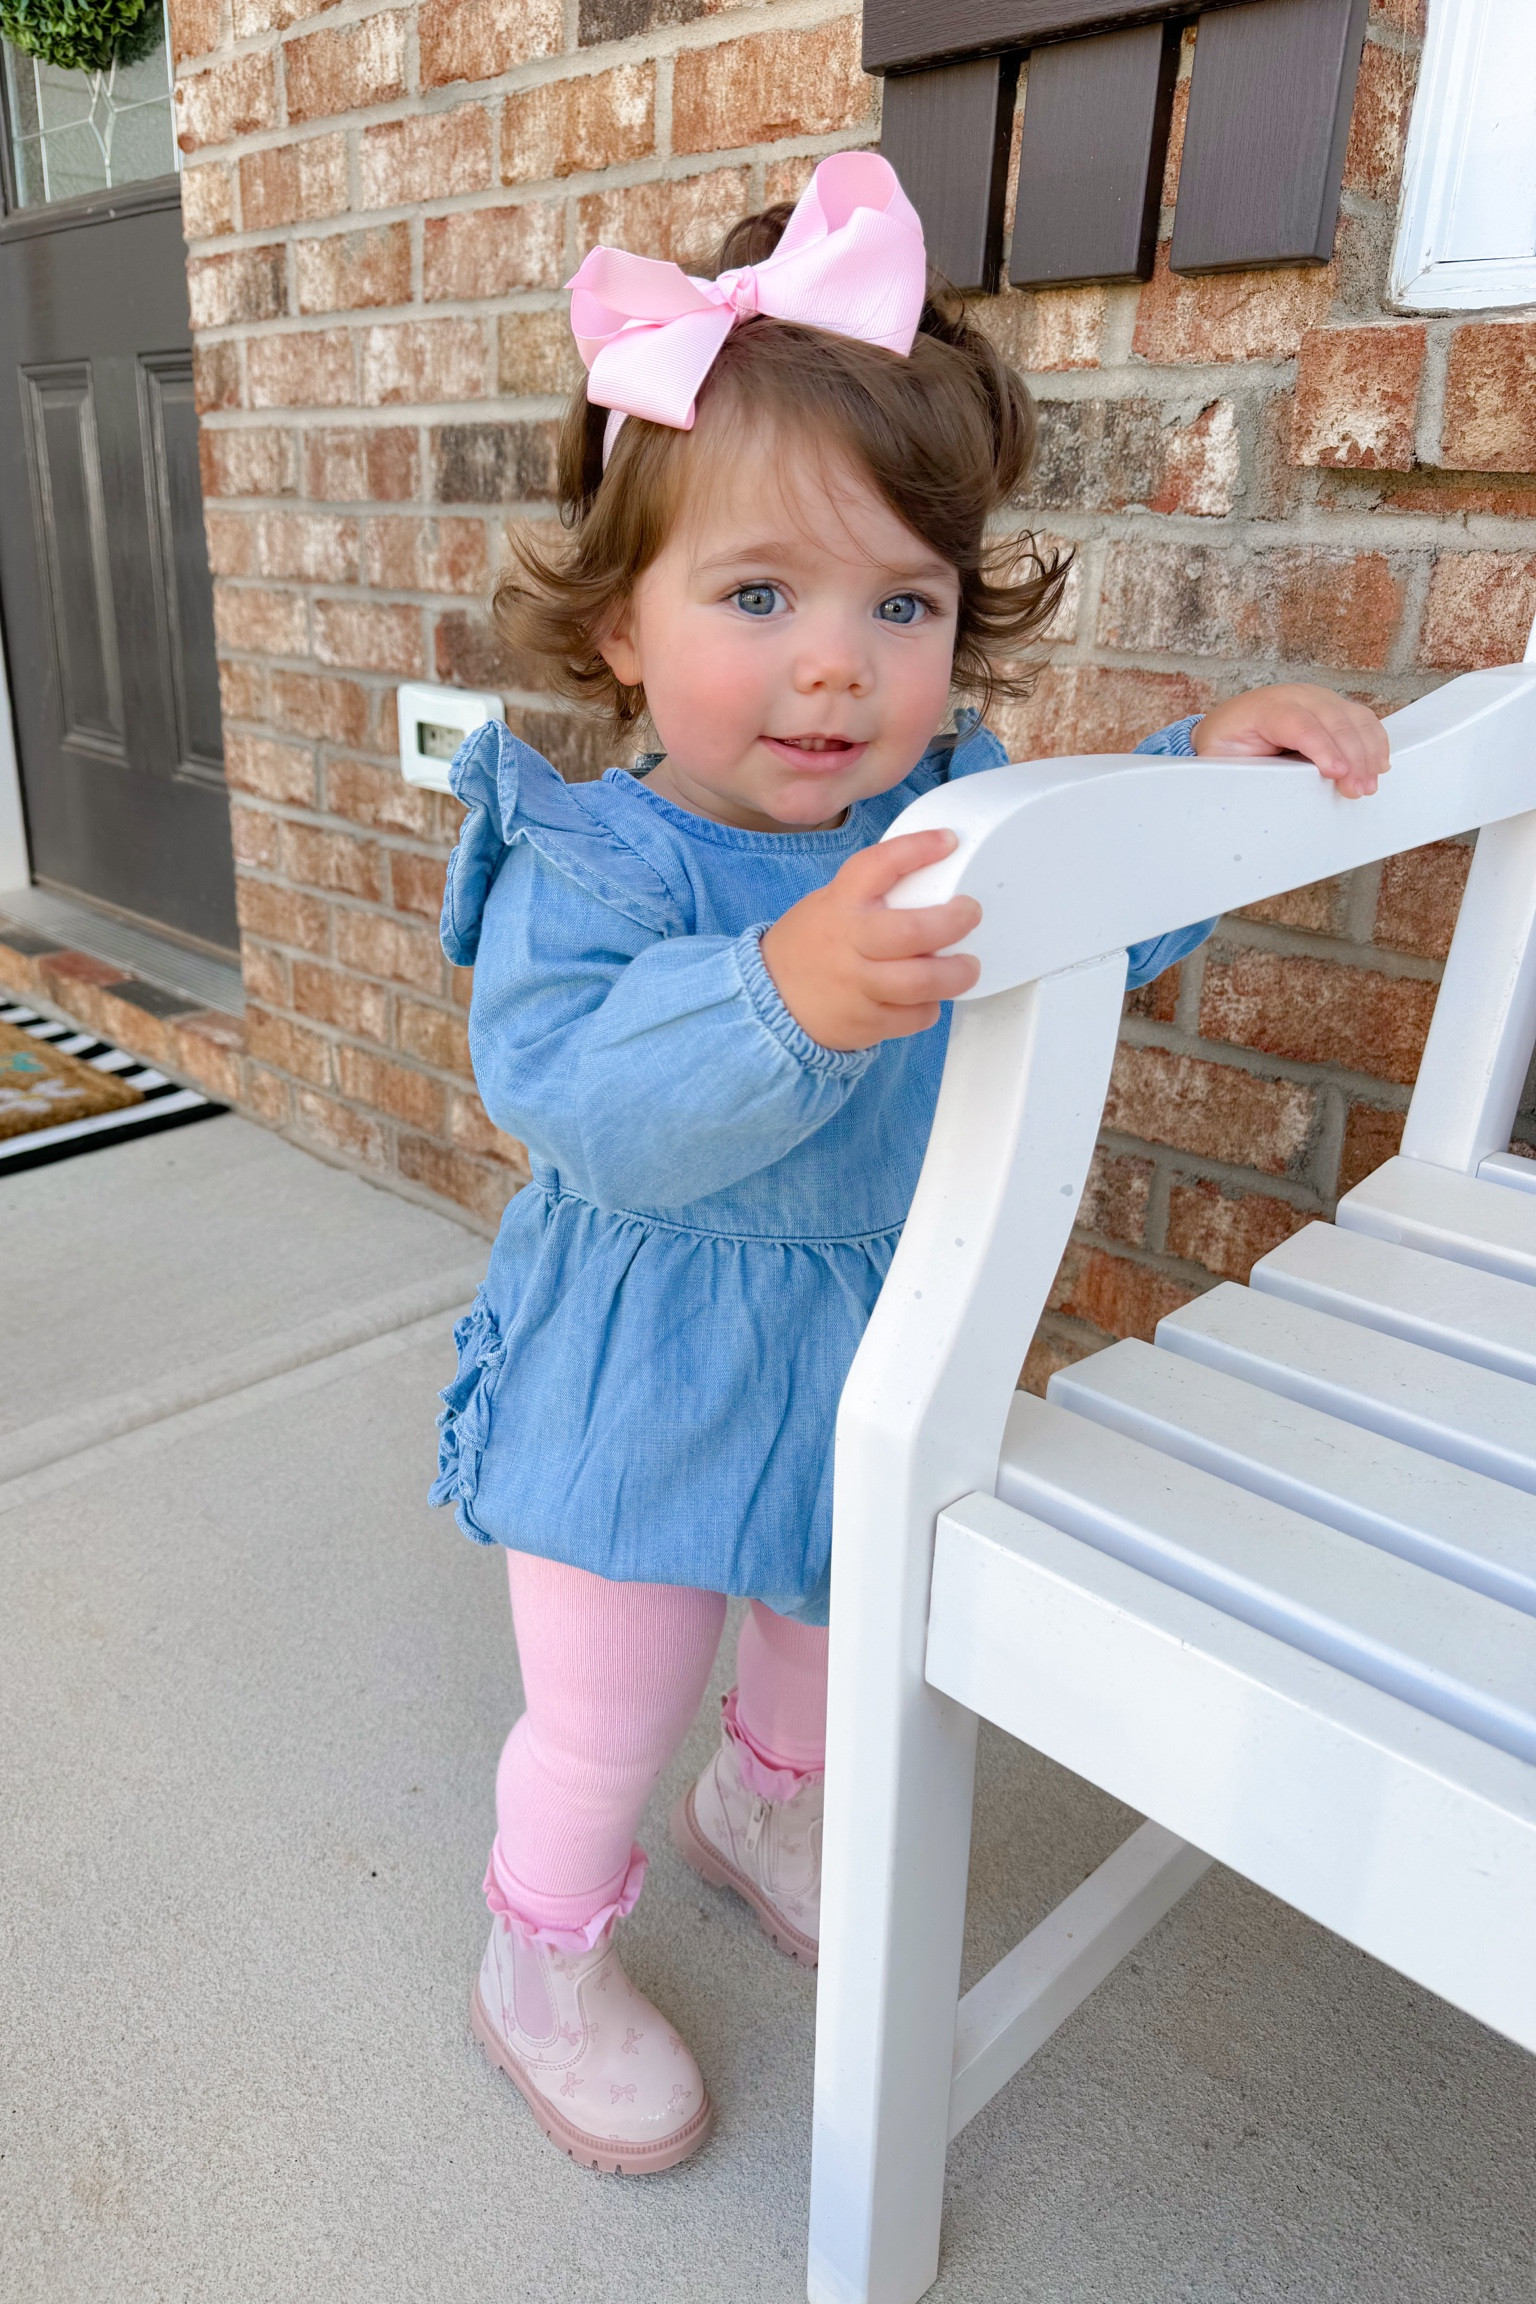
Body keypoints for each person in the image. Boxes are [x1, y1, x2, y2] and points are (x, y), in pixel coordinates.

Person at [430, 153, 1389, 2176]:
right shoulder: (594, 856)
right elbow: (585, 1094)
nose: (838, 665)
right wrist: (782, 987)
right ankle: (545, 1949)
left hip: (871, 1333)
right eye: (758, 595)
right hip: (644, 1356)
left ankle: (764, 1802)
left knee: (827, 1638)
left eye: (902, 603)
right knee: (605, 1709)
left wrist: (1197, 784)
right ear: (618, 629)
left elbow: (1075, 898)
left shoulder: (949, 820)